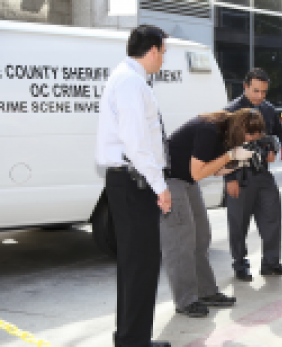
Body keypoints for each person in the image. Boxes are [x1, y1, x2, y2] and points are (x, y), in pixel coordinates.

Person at [96, 25, 171, 347]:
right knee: (141, 266)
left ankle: (131, 338)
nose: (163, 59)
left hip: (128, 181)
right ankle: (133, 341)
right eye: (163, 52)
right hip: (134, 182)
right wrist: (160, 186)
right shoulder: (130, 81)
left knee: (135, 266)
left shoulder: (127, 78)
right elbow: (136, 142)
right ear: (152, 50)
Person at [160, 108, 264, 317]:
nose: (248, 140)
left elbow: (214, 170)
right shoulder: (210, 129)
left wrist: (239, 162)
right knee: (181, 242)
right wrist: (230, 155)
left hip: (187, 180)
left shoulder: (226, 132)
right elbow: (197, 172)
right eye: (248, 135)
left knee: (201, 237)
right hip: (171, 181)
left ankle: (205, 292)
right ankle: (185, 300)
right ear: (240, 127)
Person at [224, 68, 282, 281]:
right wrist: (229, 179)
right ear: (245, 87)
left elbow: (278, 135)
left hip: (263, 174)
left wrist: (273, 149)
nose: (260, 96)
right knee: (239, 223)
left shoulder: (268, 109)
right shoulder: (230, 111)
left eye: (264, 91)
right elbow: (223, 147)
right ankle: (240, 265)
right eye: (256, 91)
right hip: (238, 174)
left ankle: (271, 263)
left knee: (272, 217)